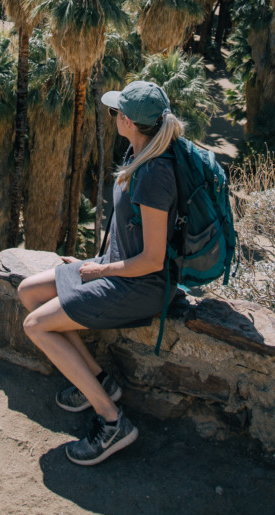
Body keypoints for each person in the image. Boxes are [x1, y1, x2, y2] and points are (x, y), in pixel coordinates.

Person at [18, 79, 181, 466]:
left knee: (35, 325)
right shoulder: (140, 152)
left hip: (140, 285)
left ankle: (111, 420)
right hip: (118, 271)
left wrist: (98, 271)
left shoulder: (155, 173)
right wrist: (91, 263)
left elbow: (153, 259)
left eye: (115, 113)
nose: (113, 117)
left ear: (127, 121)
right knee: (29, 291)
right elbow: (130, 233)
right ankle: (100, 380)